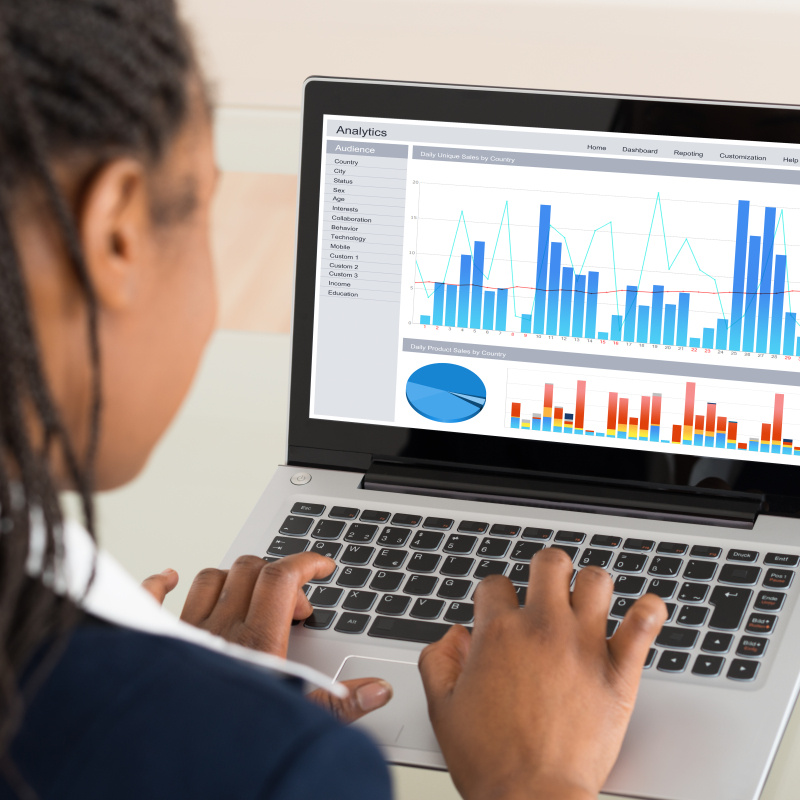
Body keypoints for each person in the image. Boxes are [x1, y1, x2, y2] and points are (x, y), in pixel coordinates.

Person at [0, 1, 667, 798]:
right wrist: (534, 777)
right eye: (203, 206)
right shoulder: (277, 765)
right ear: (116, 233)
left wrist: (197, 688)